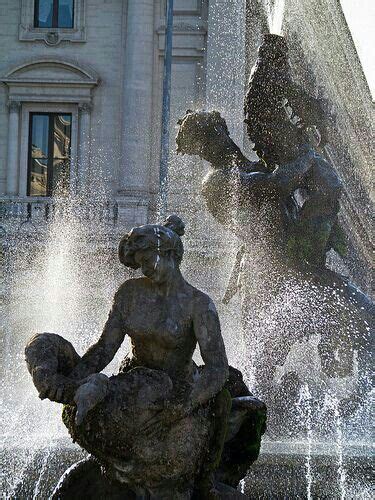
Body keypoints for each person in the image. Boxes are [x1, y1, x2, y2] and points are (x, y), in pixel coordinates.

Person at [25, 215, 266, 499]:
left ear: (169, 254)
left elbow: (217, 369)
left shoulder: (198, 305)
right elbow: (104, 349)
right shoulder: (129, 295)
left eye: (147, 260)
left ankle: (204, 484)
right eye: (139, 263)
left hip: (178, 387)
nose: (143, 269)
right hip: (136, 384)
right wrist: (73, 385)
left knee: (222, 402)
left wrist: (182, 406)